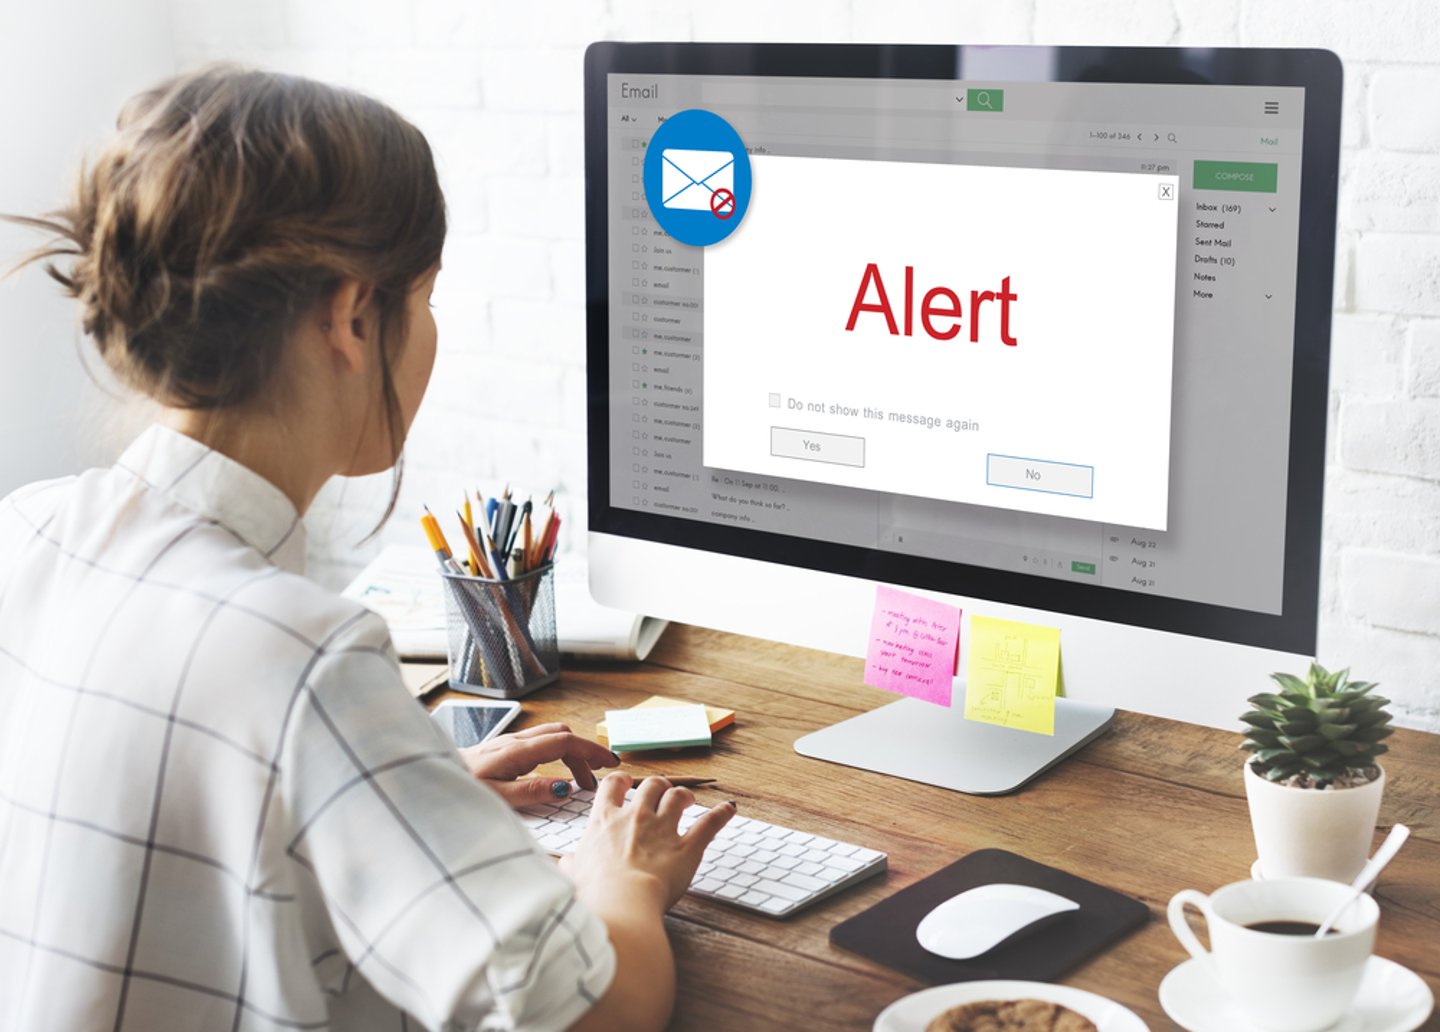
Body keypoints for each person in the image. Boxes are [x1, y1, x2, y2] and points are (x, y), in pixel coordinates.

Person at [0, 66, 732, 1032]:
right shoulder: (303, 655)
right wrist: (619, 878)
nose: (426, 333)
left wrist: (394, 788)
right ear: (350, 318)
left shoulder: (27, 530)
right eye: (422, 299)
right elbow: (594, 1012)